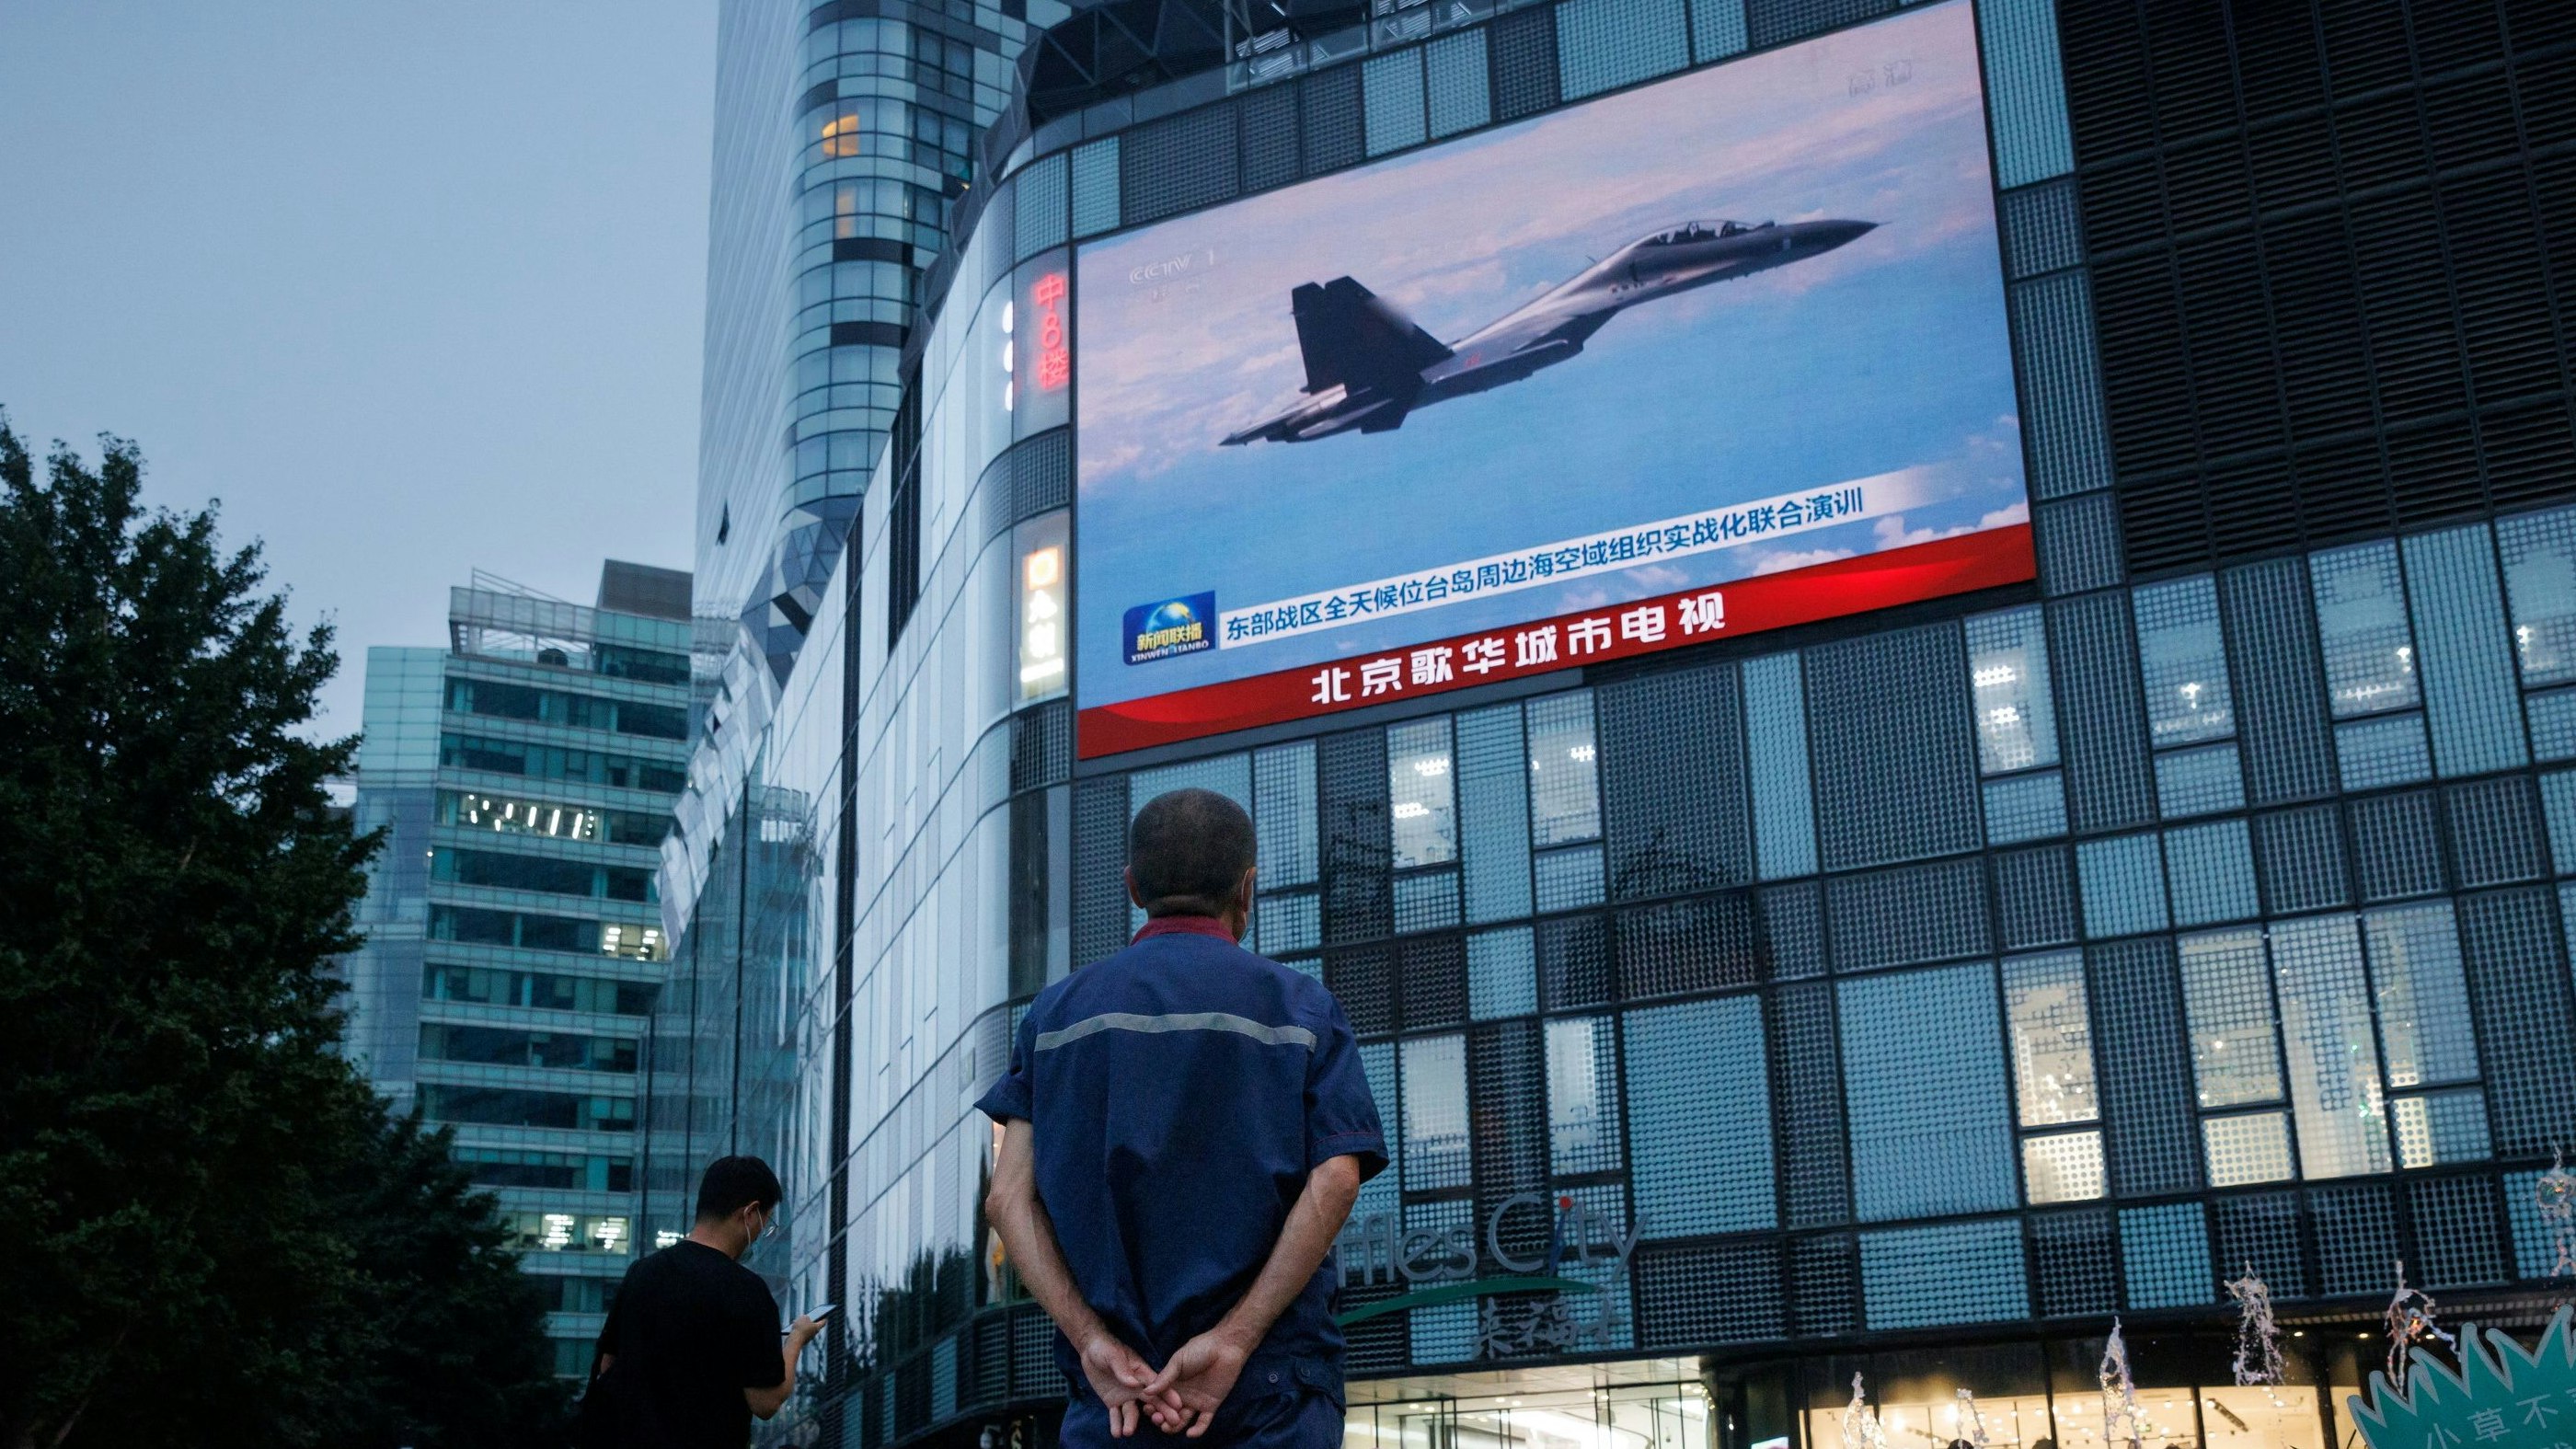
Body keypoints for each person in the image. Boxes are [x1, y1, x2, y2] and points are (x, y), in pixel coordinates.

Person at [978, 787, 1387, 1448]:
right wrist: (1233, 1339)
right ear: (1246, 887)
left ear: (1133, 886)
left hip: (1117, 1400)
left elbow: (1005, 1199)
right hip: (1270, 1394)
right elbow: (1337, 1179)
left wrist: (1091, 1341)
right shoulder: (1302, 1009)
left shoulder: (1052, 1020)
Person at [588, 1156, 822, 1448]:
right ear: (749, 1213)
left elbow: (607, 1365)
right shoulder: (746, 1291)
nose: (762, 1232)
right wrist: (798, 1337)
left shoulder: (642, 1273)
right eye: (766, 1222)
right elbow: (765, 1402)